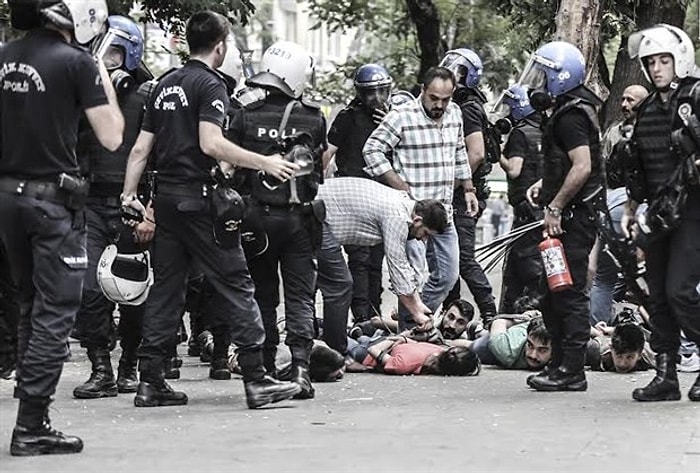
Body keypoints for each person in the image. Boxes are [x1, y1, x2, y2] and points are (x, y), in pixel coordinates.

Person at [121, 11, 301, 409]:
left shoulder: (164, 84)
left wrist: (129, 195)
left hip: (165, 201)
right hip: (200, 201)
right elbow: (211, 143)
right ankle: (257, 379)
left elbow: (140, 148)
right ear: (220, 46)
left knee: (167, 290)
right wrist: (265, 162)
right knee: (236, 283)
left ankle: (149, 380)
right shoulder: (211, 85)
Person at [0, 0, 124, 456]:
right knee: (56, 312)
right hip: (51, 203)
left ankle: (32, 407)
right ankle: (31, 425)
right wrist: (99, 72)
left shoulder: (5, 55)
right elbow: (112, 135)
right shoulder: (76, 62)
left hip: (8, 197)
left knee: (31, 303)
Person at [227, 40, 327, 400]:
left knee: (263, 296)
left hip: (257, 218)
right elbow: (319, 165)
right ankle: (301, 369)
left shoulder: (244, 114)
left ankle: (267, 368)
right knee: (300, 296)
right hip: (299, 220)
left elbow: (229, 165)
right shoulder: (314, 117)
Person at [70, 14, 153, 400]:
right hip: (89, 202)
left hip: (131, 205)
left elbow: (157, 155)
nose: (105, 60)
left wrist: (148, 207)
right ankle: (100, 365)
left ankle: (129, 365)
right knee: (89, 290)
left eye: (115, 53)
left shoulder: (147, 96)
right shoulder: (83, 97)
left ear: (131, 53)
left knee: (132, 289)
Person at [363, 66, 478, 331]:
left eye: (445, 99)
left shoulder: (455, 114)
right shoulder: (401, 116)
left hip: (443, 213)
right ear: (423, 91)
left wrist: (469, 187)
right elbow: (372, 150)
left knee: (448, 275)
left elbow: (460, 151)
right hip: (411, 216)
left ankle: (415, 319)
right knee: (411, 277)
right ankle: (409, 331)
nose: (439, 105)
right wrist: (399, 184)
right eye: (434, 98)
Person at [522, 41, 604, 392]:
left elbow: (583, 166)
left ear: (561, 77)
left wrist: (555, 206)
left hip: (572, 219)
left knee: (568, 293)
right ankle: (558, 366)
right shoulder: (565, 111)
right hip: (566, 215)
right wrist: (548, 183)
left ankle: (572, 370)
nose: (538, 81)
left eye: (544, 73)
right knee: (553, 291)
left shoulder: (571, 115)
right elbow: (569, 162)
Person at [623, 24, 700, 402]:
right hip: (657, 213)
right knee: (658, 297)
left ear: (679, 59)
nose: (656, 68)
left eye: (663, 60)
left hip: (692, 210)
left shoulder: (697, 95)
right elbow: (639, 165)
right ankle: (666, 376)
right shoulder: (647, 109)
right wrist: (633, 207)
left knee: (681, 291)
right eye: (650, 62)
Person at [317, 177, 448, 330]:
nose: (423, 240)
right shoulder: (397, 217)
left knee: (311, 283)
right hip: (317, 217)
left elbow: (403, 269)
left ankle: (315, 332)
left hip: (318, 212)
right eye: (425, 233)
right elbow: (398, 267)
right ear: (418, 220)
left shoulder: (404, 203)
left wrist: (418, 304)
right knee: (340, 284)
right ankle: (336, 345)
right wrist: (416, 313)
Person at [323, 63, 393, 326]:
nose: (376, 99)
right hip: (353, 196)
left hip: (382, 196)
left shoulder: (393, 117)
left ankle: (373, 314)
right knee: (359, 259)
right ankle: (362, 316)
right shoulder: (348, 117)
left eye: (381, 92)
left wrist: (389, 124)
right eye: (370, 93)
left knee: (376, 259)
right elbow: (327, 151)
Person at [438, 48, 499, 324]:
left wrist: (450, 187)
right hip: (458, 194)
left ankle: (489, 312)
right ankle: (450, 312)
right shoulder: (457, 106)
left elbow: (476, 154)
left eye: (458, 70)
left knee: (462, 258)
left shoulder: (468, 108)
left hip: (463, 195)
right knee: (447, 257)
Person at [589, 84, 649, 324]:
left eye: (630, 100)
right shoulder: (615, 133)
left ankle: (596, 330)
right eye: (623, 99)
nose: (624, 104)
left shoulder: (635, 132)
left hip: (621, 207)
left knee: (604, 278)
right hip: (627, 207)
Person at [496, 84, 545, 313]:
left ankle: (515, 317)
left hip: (526, 214)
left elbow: (515, 170)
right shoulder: (544, 129)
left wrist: (498, 156)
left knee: (524, 273)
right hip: (541, 212)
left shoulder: (520, 133)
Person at [347, 334, 481, 376]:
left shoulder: (436, 349)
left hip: (371, 349)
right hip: (372, 349)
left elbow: (373, 349)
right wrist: (399, 339)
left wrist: (396, 339)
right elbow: (373, 349)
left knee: (352, 341)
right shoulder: (405, 364)